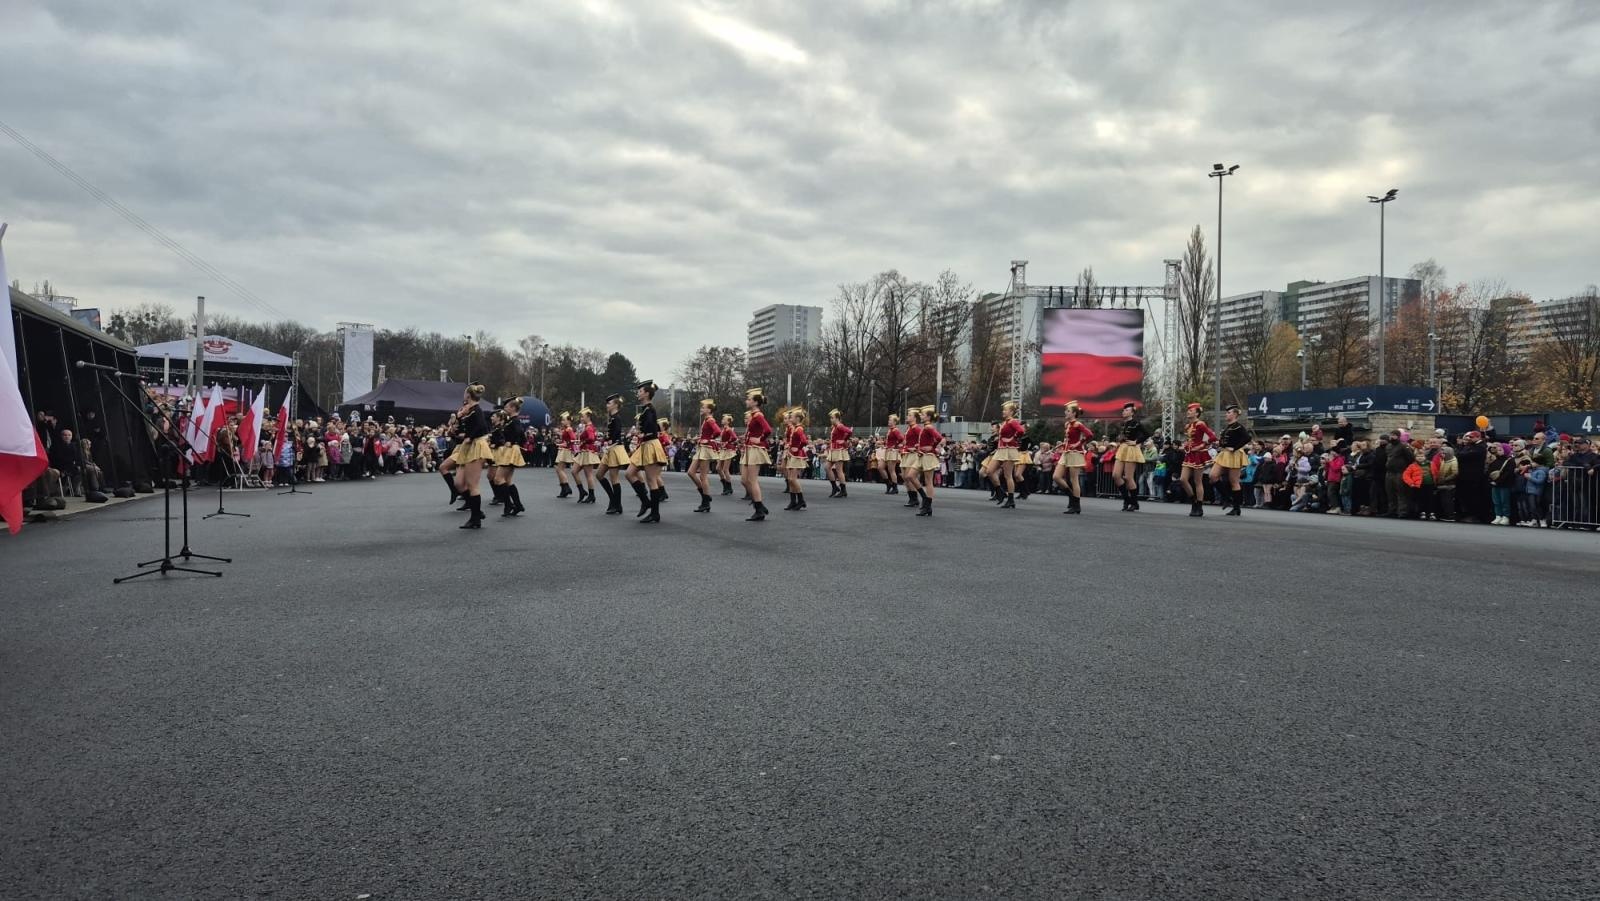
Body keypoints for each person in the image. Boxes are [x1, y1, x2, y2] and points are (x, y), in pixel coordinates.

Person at [447, 384, 493, 529]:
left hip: (476, 446)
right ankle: (477, 511)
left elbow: (481, 427)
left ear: (468, 395)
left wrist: (469, 437)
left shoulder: (476, 410)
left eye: (464, 394)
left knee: (473, 485)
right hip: (468, 447)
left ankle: (475, 519)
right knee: (459, 484)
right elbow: (461, 430)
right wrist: (459, 419)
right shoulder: (468, 411)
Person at [624, 381, 667, 524]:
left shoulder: (649, 409)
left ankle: (655, 513)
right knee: (629, 473)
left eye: (641, 391)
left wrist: (643, 434)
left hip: (650, 445)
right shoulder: (645, 409)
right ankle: (645, 501)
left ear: (647, 393)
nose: (638, 392)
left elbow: (654, 430)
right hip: (645, 445)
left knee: (651, 480)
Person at [1051, 401, 1094, 515]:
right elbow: (1068, 439)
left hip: (1075, 453)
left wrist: (1079, 443)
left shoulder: (1078, 424)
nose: (1066, 412)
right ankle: (1072, 497)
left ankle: (1076, 505)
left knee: (1074, 480)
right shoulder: (1068, 424)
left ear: (1074, 413)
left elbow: (1089, 434)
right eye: (1066, 410)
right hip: (1066, 452)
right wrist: (1062, 445)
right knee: (1056, 477)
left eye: (1068, 411)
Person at [1209, 404, 1251, 516]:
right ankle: (1227, 497)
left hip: (1234, 454)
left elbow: (1248, 438)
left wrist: (1235, 447)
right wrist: (1219, 443)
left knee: (1234, 482)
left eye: (1229, 412)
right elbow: (1226, 441)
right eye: (1227, 412)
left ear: (1235, 414)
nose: (1227, 414)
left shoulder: (1238, 426)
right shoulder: (1228, 426)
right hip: (1224, 453)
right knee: (1213, 476)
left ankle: (1236, 508)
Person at [490, 397, 529, 516]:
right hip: (511, 450)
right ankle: (517, 505)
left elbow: (519, 434)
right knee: (507, 480)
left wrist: (512, 442)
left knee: (498, 479)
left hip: (511, 451)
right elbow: (523, 437)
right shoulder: (512, 420)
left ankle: (509, 504)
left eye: (507, 407)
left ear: (512, 408)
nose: (505, 409)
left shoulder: (514, 420)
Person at [1177, 403, 1217, 517]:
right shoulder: (1187, 426)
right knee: (1183, 479)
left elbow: (1213, 437)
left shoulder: (1200, 424)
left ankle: (1199, 505)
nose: (1188, 412)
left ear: (1197, 413)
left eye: (1191, 410)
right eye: (1188, 410)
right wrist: (1185, 445)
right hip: (1189, 454)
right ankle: (1193, 500)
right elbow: (1190, 440)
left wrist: (1202, 445)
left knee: (1197, 481)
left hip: (1199, 455)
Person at [740, 389, 774, 521]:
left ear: (755, 402)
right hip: (749, 449)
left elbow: (768, 430)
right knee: (744, 480)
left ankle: (759, 509)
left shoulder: (758, 415)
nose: (746, 401)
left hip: (755, 449)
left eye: (748, 399)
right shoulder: (753, 415)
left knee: (752, 480)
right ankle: (760, 506)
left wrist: (760, 439)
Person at [596, 394, 630, 516]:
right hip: (610, 449)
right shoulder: (612, 418)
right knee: (599, 474)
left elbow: (617, 436)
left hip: (614, 449)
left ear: (615, 405)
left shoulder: (617, 418)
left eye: (609, 403)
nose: (607, 405)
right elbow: (611, 435)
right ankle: (613, 500)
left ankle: (617, 504)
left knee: (613, 478)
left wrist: (609, 445)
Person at [1112, 402, 1149, 511]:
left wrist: (1136, 441)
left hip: (1131, 449)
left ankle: (1134, 502)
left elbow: (1146, 434)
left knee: (1128, 477)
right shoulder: (1123, 424)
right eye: (1124, 410)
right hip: (1123, 448)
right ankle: (1127, 499)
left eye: (1126, 410)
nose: (1124, 412)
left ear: (1132, 412)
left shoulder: (1136, 423)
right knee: (1116, 475)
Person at [990, 401, 1025, 509]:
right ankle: (1000, 492)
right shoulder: (1005, 422)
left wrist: (1013, 438)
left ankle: (1011, 499)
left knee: (1008, 476)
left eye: (1005, 410)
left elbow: (1021, 431)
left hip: (1009, 450)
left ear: (1011, 411)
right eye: (1003, 410)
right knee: (989, 471)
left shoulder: (1012, 421)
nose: (1003, 411)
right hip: (1001, 450)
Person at [688, 399, 720, 513]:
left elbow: (717, 431)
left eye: (703, 407)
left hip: (705, 449)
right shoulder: (706, 420)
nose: (701, 409)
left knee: (703, 476)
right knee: (691, 472)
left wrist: (708, 439)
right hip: (701, 448)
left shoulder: (710, 420)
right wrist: (700, 438)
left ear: (709, 410)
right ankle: (705, 495)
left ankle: (705, 502)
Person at [915, 405, 943, 517]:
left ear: (928, 417)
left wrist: (932, 447)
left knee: (928, 481)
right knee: (911, 476)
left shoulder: (928, 427)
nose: (920, 416)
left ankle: (927, 506)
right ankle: (925, 500)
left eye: (922, 414)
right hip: (922, 455)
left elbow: (940, 438)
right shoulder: (925, 427)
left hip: (928, 456)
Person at [572, 406, 601, 507]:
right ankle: (582, 491)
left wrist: (582, 441)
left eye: (582, 417)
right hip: (583, 451)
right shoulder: (587, 427)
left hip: (588, 451)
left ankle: (591, 495)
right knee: (574, 471)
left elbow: (591, 438)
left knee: (588, 474)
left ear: (588, 417)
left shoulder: (589, 427)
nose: (581, 418)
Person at [825, 409, 852, 498]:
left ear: (837, 418)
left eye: (832, 418)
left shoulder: (840, 426)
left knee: (839, 470)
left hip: (838, 450)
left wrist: (844, 440)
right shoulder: (834, 427)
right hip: (833, 450)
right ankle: (835, 487)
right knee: (827, 467)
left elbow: (849, 432)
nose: (830, 419)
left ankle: (843, 490)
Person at [554, 412, 577, 499]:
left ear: (568, 421)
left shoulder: (569, 429)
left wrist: (564, 444)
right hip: (564, 449)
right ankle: (564, 488)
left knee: (559, 469)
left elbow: (573, 439)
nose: (562, 421)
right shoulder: (566, 429)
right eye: (562, 420)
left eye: (564, 420)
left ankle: (566, 487)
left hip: (566, 450)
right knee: (558, 468)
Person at [881, 414, 904, 495]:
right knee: (880, 467)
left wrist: (894, 445)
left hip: (892, 451)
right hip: (887, 450)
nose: (888, 421)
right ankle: (889, 484)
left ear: (894, 422)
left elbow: (901, 439)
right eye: (889, 420)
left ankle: (895, 487)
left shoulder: (895, 430)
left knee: (891, 470)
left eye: (890, 420)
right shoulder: (890, 430)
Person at [717, 413, 737, 497]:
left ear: (728, 422)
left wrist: (727, 442)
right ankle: (725, 486)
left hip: (728, 450)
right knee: (718, 468)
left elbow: (734, 438)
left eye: (724, 419)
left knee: (725, 469)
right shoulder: (724, 429)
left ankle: (729, 488)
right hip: (723, 450)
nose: (722, 420)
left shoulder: (728, 429)